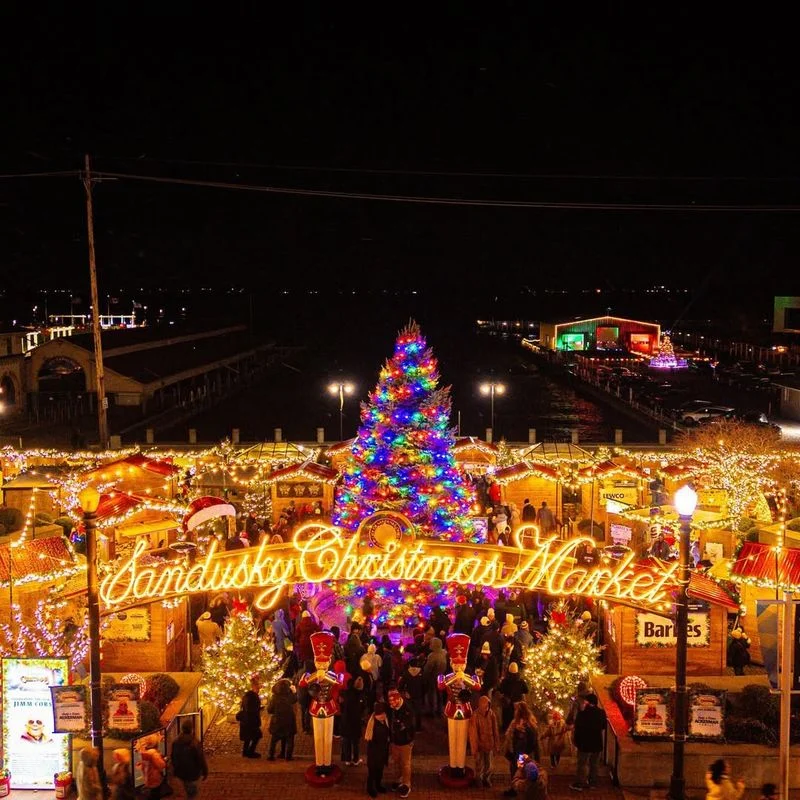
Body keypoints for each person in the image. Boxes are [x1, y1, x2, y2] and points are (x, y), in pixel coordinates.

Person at [299, 630, 346, 777]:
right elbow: (302, 683)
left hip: (329, 706)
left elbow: (341, 683)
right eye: (318, 661)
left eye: (324, 662)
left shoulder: (333, 675)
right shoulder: (310, 675)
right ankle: (319, 763)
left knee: (328, 736)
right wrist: (315, 676)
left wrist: (326, 676)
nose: (321, 664)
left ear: (329, 660)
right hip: (316, 707)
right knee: (318, 737)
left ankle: (327, 762)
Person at [438, 632, 481, 780]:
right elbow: (441, 686)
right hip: (451, 710)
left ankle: (460, 767)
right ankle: (452, 764)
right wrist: (455, 678)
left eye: (461, 664)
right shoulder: (446, 677)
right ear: (451, 664)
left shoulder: (471, 677)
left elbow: (477, 686)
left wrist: (464, 679)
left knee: (462, 739)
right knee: (452, 739)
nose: (458, 667)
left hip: (464, 710)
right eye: (456, 664)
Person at [569, 693, 607, 791]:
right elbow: (603, 726)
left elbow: (578, 727)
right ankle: (593, 783)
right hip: (596, 742)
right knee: (594, 764)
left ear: (588, 702)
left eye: (585, 701)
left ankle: (580, 783)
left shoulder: (583, 713)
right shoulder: (601, 712)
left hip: (584, 742)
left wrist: (576, 740)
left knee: (582, 763)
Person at [503, 701, 540, 797]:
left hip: (520, 755)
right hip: (524, 754)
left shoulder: (521, 727)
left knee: (517, 773)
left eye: (515, 710)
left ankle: (516, 790)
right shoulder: (531, 723)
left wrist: (518, 759)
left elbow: (521, 745)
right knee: (520, 773)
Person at [468, 694, 501, 788]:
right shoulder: (475, 716)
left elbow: (495, 730)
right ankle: (479, 779)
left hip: (489, 744)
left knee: (489, 765)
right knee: (480, 765)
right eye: (486, 706)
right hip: (480, 746)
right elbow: (473, 734)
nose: (487, 708)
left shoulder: (491, 714)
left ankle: (486, 778)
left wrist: (497, 744)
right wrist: (474, 749)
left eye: (488, 706)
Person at [171, 720, 208, 798]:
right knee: (192, 792)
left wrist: (175, 769)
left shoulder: (176, 742)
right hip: (193, 772)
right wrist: (205, 771)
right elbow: (200, 758)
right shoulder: (195, 742)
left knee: (188, 788)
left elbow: (173, 757)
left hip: (181, 772)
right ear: (192, 729)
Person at [365, 701, 391, 798]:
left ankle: (378, 785)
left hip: (381, 752)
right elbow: (380, 738)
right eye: (383, 713)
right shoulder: (375, 725)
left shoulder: (383, 721)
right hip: (374, 754)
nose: (385, 715)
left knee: (379, 771)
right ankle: (370, 788)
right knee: (372, 773)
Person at [267, 678, 298, 760]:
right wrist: (295, 692)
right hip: (289, 721)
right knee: (289, 739)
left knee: (274, 739)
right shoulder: (290, 696)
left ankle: (271, 755)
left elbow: (269, 710)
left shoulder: (275, 697)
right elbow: (295, 699)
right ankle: (288, 756)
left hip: (277, 721)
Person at [497, 662, 529, 731]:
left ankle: (505, 729)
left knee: (506, 717)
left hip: (507, 703)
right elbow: (526, 690)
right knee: (516, 717)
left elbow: (501, 690)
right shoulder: (521, 681)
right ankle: (515, 729)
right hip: (517, 703)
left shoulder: (505, 680)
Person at [237, 676, 263, 758]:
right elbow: (252, 709)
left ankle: (245, 752)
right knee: (256, 736)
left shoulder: (247, 696)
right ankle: (250, 752)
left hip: (246, 721)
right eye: (257, 688)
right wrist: (259, 708)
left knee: (248, 737)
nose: (258, 689)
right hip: (251, 721)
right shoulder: (253, 697)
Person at [138, 734, 167, 800]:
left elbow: (142, 767)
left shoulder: (144, 753)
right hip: (155, 779)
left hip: (148, 778)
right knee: (156, 795)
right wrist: (164, 760)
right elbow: (162, 765)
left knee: (151, 795)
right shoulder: (154, 754)